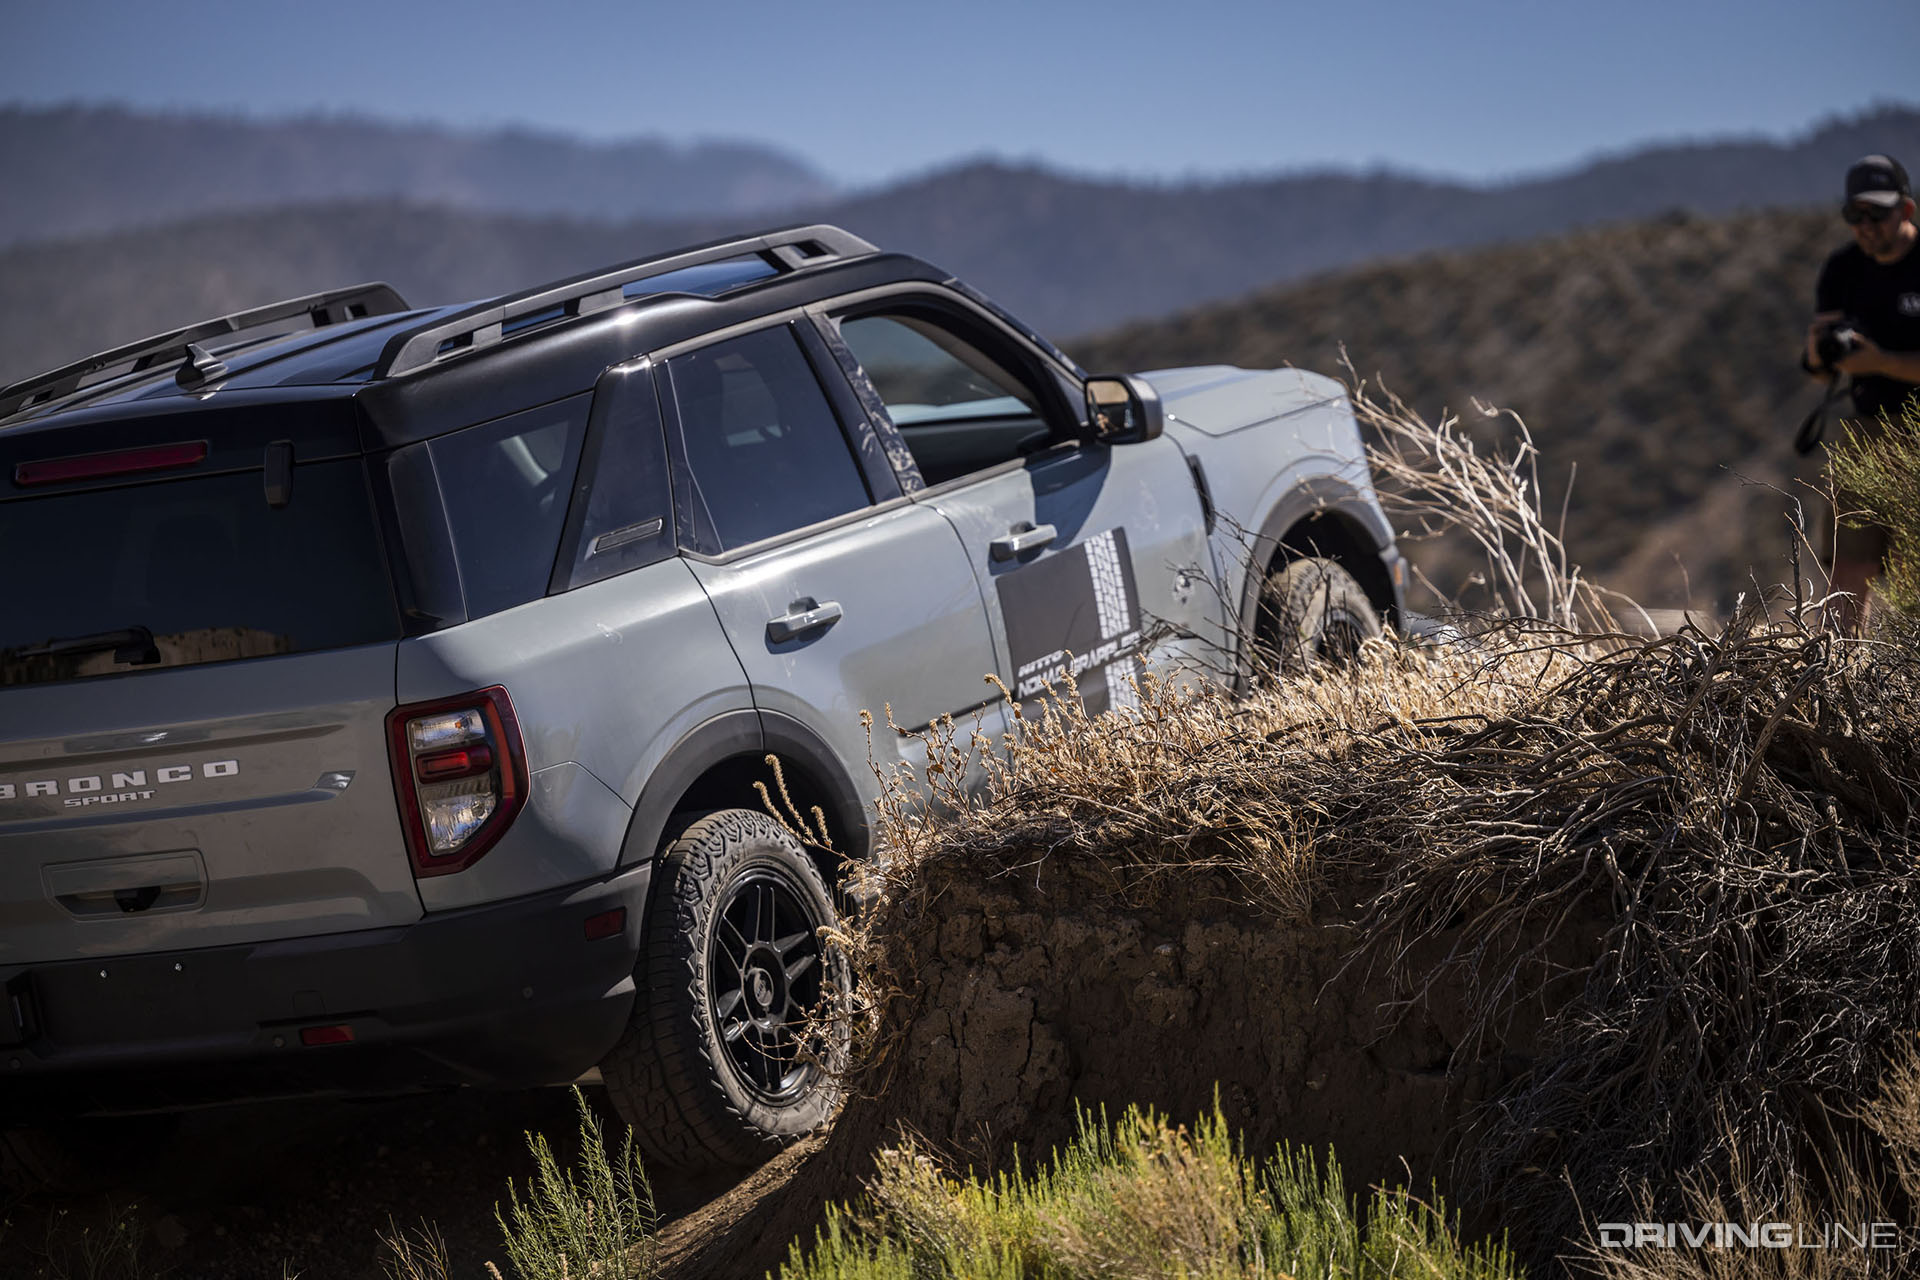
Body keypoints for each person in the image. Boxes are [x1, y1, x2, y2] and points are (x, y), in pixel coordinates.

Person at [1802, 154, 1920, 634]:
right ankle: (1837, 673)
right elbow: (1818, 373)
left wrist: (1883, 361)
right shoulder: (1842, 270)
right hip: (1867, 432)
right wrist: (1819, 353)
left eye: (1878, 213)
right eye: (1855, 215)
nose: (1866, 226)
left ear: (1906, 210)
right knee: (1849, 564)